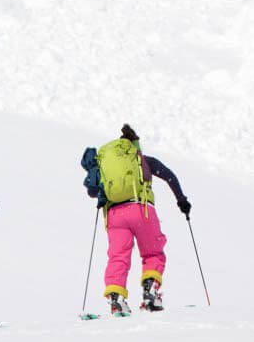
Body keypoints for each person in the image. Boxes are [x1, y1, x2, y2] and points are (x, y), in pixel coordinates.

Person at [81, 123, 191, 315]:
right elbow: (169, 176)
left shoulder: (105, 163)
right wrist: (182, 201)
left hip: (115, 215)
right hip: (141, 209)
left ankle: (116, 297)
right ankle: (151, 292)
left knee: (118, 257)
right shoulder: (142, 160)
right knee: (152, 253)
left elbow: (92, 191)